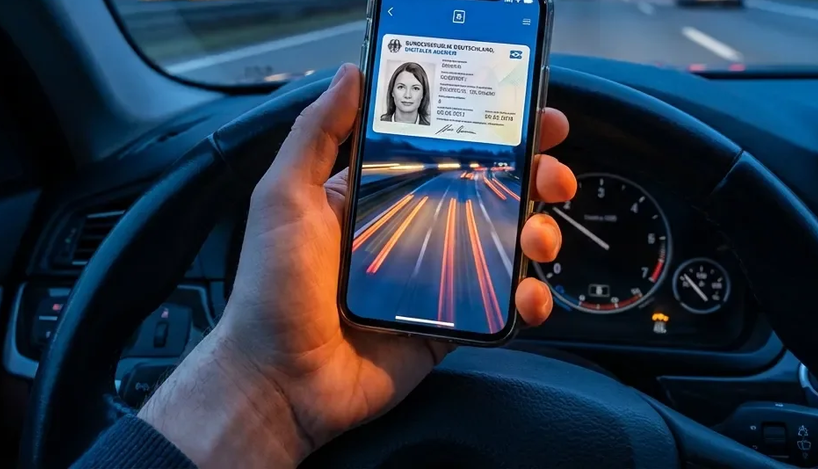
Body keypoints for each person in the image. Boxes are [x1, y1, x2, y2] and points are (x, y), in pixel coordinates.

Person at [73, 63, 576, 468]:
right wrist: (257, 376)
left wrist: (255, 386)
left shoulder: (448, 151)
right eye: (396, 81)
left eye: (410, 84)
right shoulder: (393, 153)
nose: (402, 90)